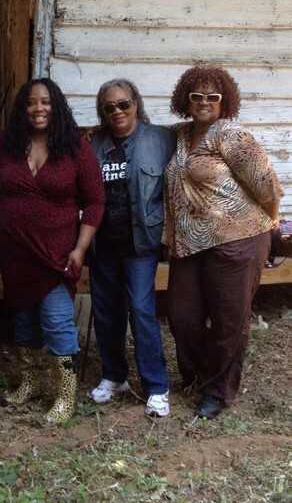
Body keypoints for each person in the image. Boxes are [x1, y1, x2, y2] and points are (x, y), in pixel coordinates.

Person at [0, 78, 104, 423]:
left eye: (45, 102)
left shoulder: (75, 147)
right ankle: (29, 384)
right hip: (17, 250)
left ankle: (65, 397)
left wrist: (80, 249)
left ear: (56, 105)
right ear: (23, 108)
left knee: (56, 319)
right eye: (31, 102)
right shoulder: (6, 144)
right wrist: (9, 208)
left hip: (58, 252)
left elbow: (95, 202)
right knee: (22, 319)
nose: (38, 108)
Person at [165, 64, 283, 419]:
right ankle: (202, 373)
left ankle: (217, 390)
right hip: (190, 243)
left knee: (229, 319)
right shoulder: (181, 135)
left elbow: (267, 185)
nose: (204, 102)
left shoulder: (231, 136)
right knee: (181, 315)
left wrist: (273, 222)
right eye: (196, 96)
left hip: (239, 239)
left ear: (224, 101)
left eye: (212, 97)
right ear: (185, 98)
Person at [87, 79, 175, 417]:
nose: (118, 112)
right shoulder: (94, 144)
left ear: (136, 103)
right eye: (109, 107)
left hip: (141, 243)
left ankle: (156, 386)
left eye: (123, 104)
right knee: (107, 311)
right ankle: (114, 375)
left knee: (140, 310)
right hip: (103, 243)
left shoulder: (162, 138)